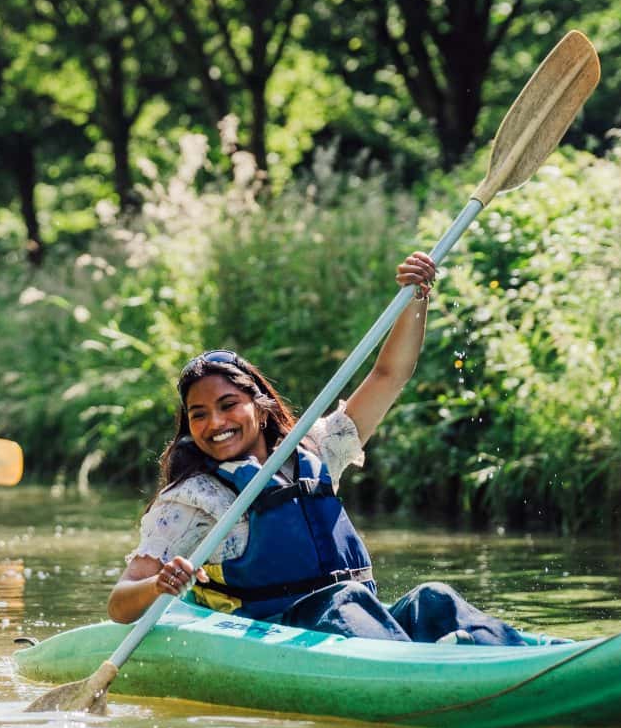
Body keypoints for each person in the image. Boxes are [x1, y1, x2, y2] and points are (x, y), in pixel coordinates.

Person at [107, 252, 553, 645]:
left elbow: (388, 376)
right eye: (198, 414)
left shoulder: (317, 449)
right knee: (344, 600)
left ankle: (515, 656)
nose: (215, 423)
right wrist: (159, 585)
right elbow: (121, 605)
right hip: (281, 637)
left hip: (358, 621)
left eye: (228, 405)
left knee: (432, 598)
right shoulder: (192, 498)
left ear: (259, 408)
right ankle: (438, 667)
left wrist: (415, 299)